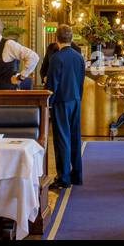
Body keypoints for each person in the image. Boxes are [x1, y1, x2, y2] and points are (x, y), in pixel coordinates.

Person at [45, 24, 84, 189]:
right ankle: (77, 176)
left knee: (62, 139)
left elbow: (52, 84)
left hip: (61, 101)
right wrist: (78, 98)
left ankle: (63, 178)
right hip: (75, 100)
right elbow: (81, 81)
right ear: (72, 38)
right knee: (75, 137)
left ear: (56, 39)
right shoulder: (79, 57)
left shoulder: (56, 58)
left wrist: (49, 105)